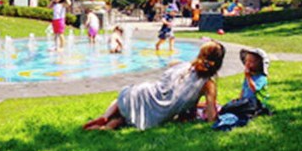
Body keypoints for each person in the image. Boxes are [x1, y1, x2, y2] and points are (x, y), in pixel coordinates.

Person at [83, 40, 225, 130]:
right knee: (127, 118)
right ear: (218, 63)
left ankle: (106, 117)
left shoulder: (180, 65)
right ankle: (108, 126)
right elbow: (211, 115)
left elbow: (175, 88)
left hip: (143, 94)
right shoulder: (208, 84)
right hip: (155, 118)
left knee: (126, 97)